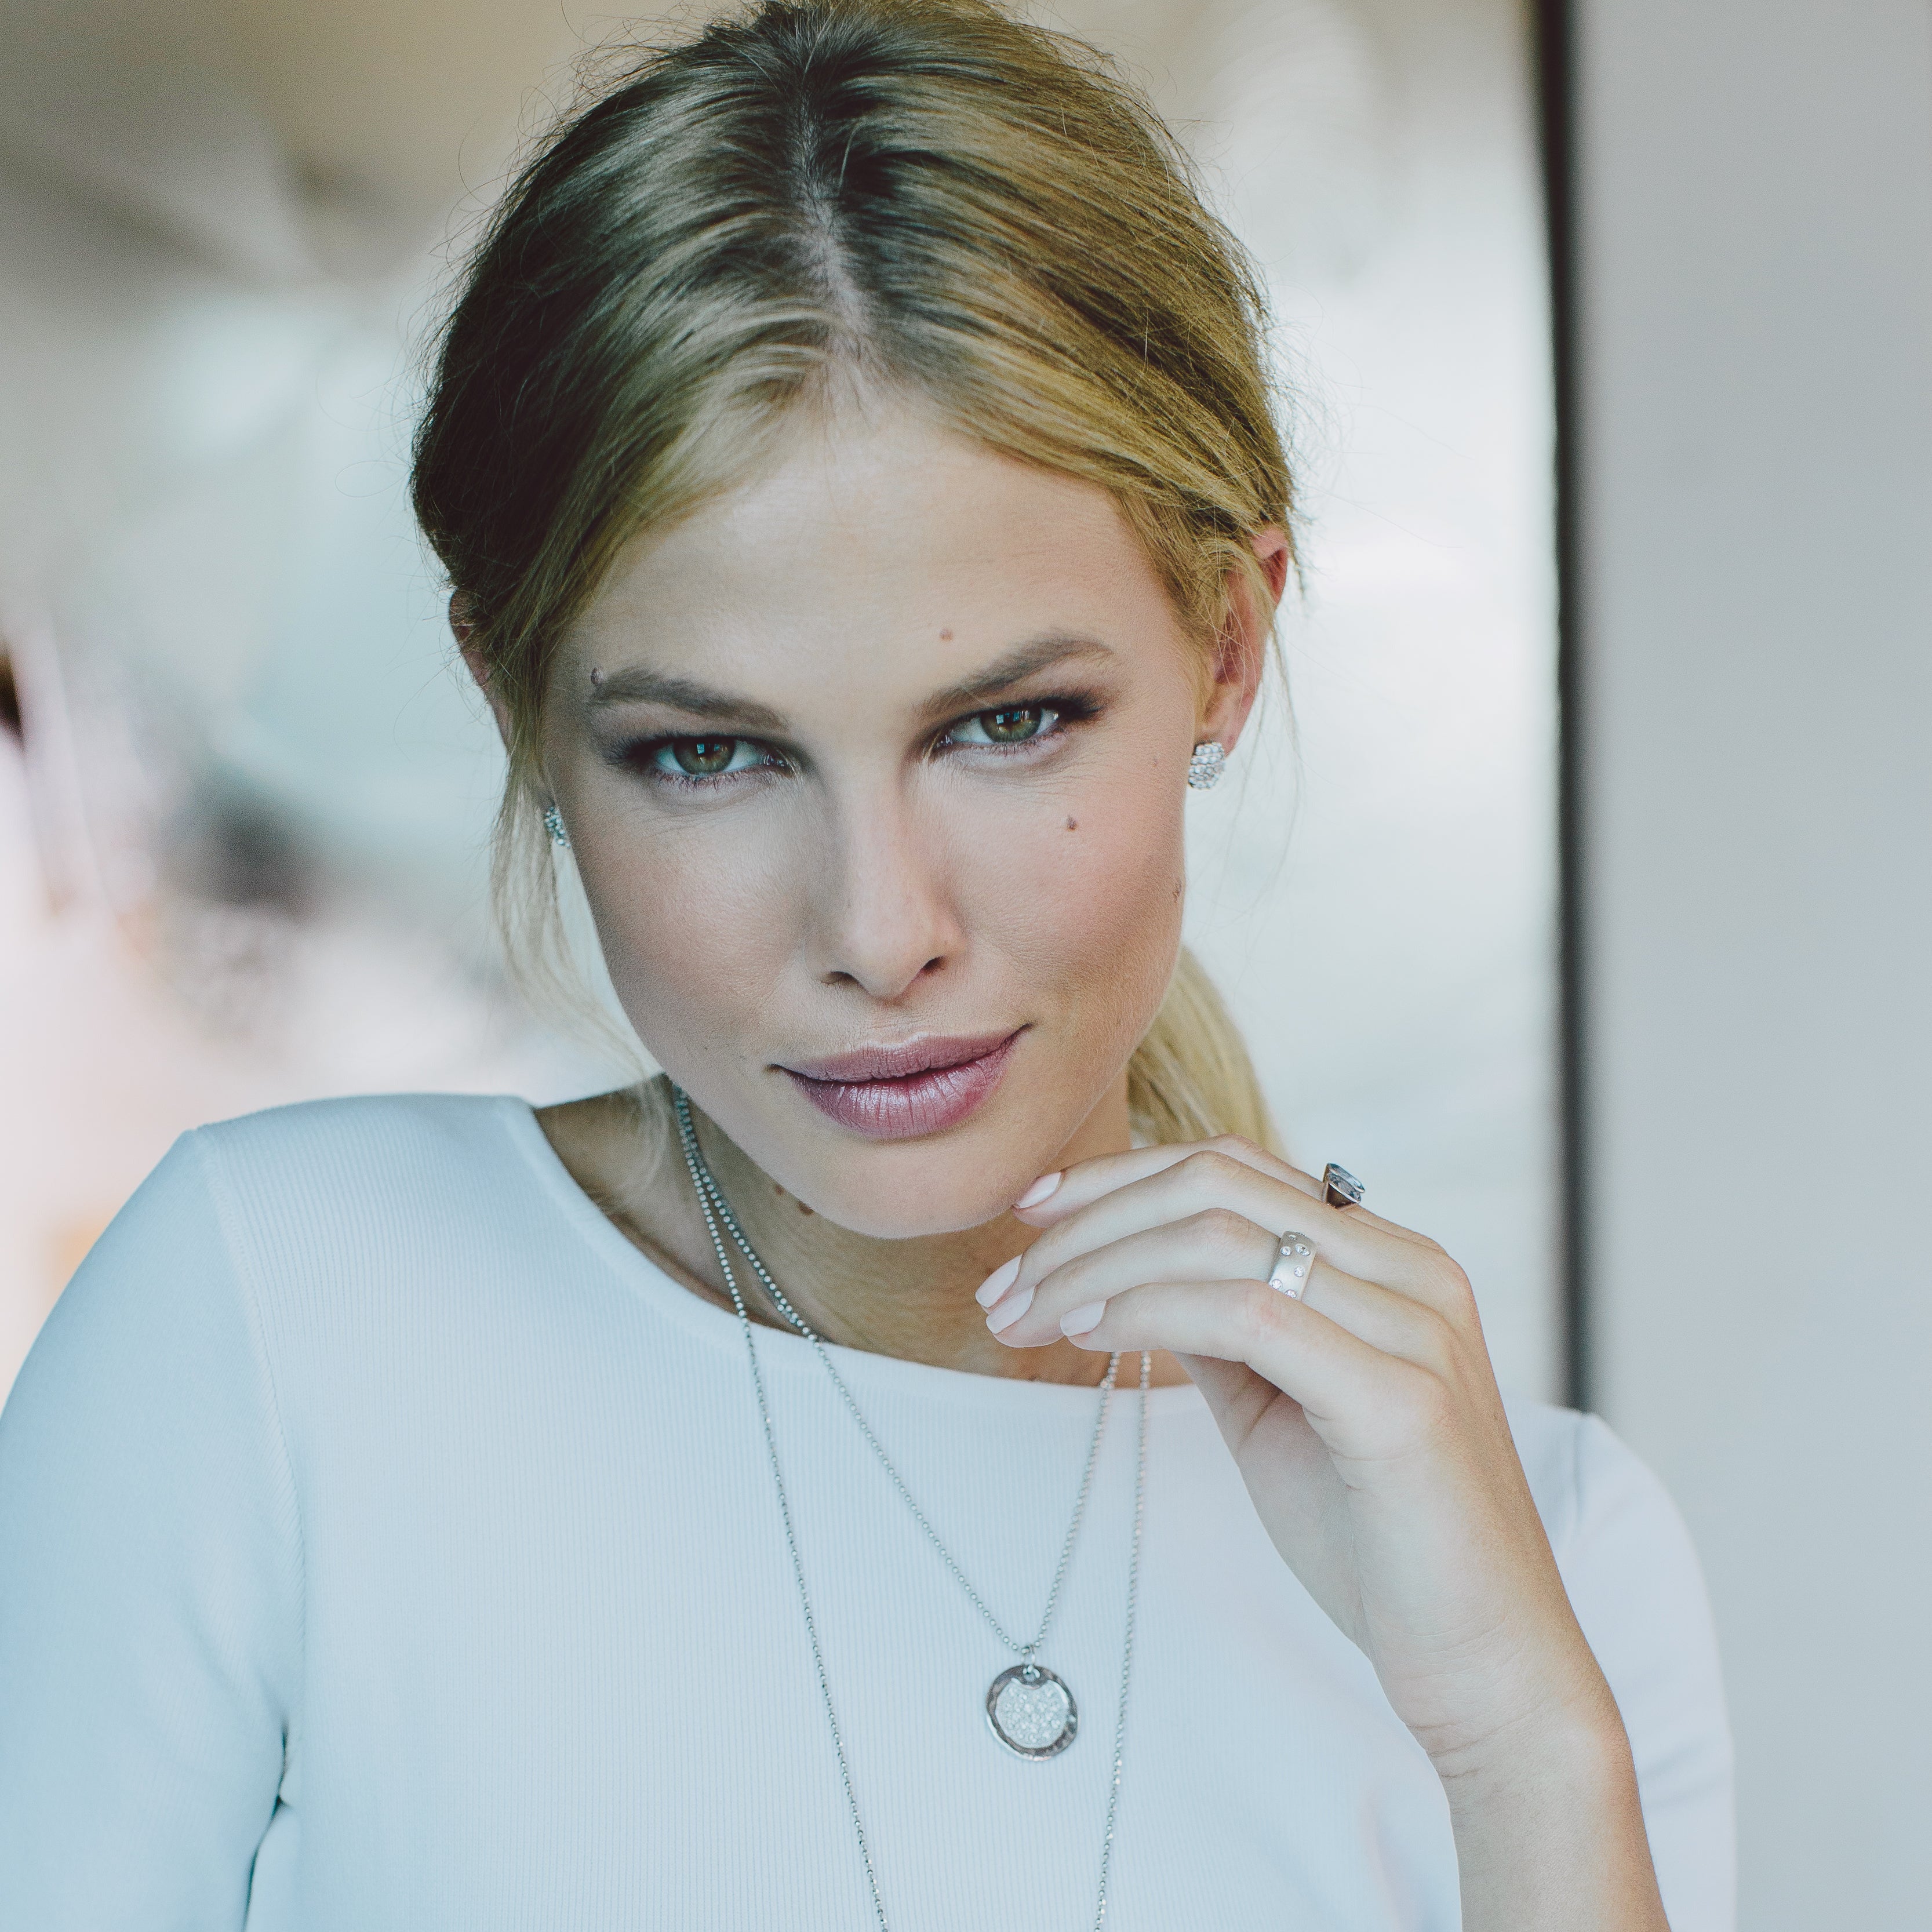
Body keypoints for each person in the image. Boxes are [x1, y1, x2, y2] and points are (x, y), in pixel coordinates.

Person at [0, 2, 1732, 1926]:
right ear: (521, 716)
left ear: (1229, 649)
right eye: (709, 753)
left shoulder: (1549, 1552)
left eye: (1007, 725)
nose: (879, 929)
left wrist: (1519, 1744)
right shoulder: (274, 1324)